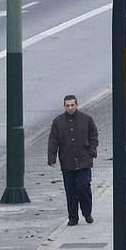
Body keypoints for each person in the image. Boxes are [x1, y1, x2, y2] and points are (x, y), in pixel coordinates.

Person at [47, 94, 98, 226]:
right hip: (67, 161)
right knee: (70, 191)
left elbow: (93, 136)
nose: (70, 107)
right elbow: (53, 140)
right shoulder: (58, 122)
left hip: (84, 161)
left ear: (77, 105)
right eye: (67, 105)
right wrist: (51, 157)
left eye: (72, 105)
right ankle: (73, 217)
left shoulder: (86, 119)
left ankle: (87, 212)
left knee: (83, 187)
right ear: (64, 106)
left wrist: (91, 152)